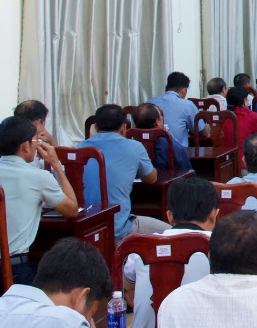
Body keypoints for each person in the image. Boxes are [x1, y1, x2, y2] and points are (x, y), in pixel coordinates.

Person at [0, 116, 78, 286]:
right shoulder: (38, 177)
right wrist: (55, 163)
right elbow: (72, 210)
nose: (37, 144)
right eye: (35, 140)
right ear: (25, 146)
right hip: (15, 270)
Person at [125, 177, 218, 328]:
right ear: (214, 214)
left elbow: (128, 289)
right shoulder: (219, 249)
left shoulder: (142, 249)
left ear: (169, 216)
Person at [77, 104, 164, 241]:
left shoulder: (79, 148)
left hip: (85, 229)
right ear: (124, 128)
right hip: (119, 229)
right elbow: (151, 179)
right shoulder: (135, 147)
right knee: (172, 232)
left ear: (96, 127)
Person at [148, 71, 203, 153]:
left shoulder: (150, 102)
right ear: (184, 90)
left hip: (151, 154)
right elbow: (202, 132)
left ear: (166, 88)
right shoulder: (187, 105)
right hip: (177, 155)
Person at [133, 102, 191, 174]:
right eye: (161, 116)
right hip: (172, 180)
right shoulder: (168, 143)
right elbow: (187, 171)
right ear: (157, 122)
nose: (162, 118)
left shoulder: (131, 143)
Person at [224, 85, 257, 150]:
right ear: (244, 101)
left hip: (225, 155)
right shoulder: (253, 116)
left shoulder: (222, 116)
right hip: (246, 155)